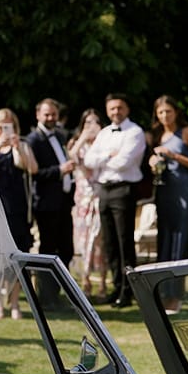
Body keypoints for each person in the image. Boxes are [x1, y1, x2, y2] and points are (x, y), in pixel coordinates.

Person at [82, 94, 145, 308]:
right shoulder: (104, 133)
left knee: (124, 241)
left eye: (119, 108)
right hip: (104, 189)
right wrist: (109, 155)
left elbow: (124, 162)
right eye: (112, 108)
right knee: (109, 242)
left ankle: (128, 291)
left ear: (127, 109)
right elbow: (89, 160)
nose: (116, 112)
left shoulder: (135, 132)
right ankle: (116, 287)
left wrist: (103, 159)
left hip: (123, 189)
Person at [0, 108, 37, 318]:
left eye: (9, 125)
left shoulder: (23, 145)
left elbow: (32, 168)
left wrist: (17, 147)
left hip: (17, 208)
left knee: (19, 254)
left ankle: (15, 302)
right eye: (2, 126)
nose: (5, 129)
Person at [148, 95, 188, 313]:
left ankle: (176, 296)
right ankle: (162, 293)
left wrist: (174, 155)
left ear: (176, 112)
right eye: (160, 112)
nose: (165, 116)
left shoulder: (187, 132)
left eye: (168, 111)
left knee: (180, 240)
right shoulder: (157, 135)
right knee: (164, 240)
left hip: (184, 190)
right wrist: (154, 162)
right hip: (164, 190)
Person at [27, 98, 75, 309]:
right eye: (46, 114)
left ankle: (57, 293)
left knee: (67, 249)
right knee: (48, 251)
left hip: (64, 202)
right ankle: (46, 297)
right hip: (46, 204)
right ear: (38, 115)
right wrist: (60, 171)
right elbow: (34, 173)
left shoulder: (61, 136)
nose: (50, 118)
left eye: (53, 114)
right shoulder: (33, 140)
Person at [68, 110, 108, 296]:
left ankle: (103, 281)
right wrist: (83, 138)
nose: (92, 126)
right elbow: (72, 157)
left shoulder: (105, 143)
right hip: (83, 198)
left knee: (100, 240)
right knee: (83, 239)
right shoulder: (77, 144)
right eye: (88, 123)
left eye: (95, 122)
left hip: (100, 194)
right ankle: (85, 279)